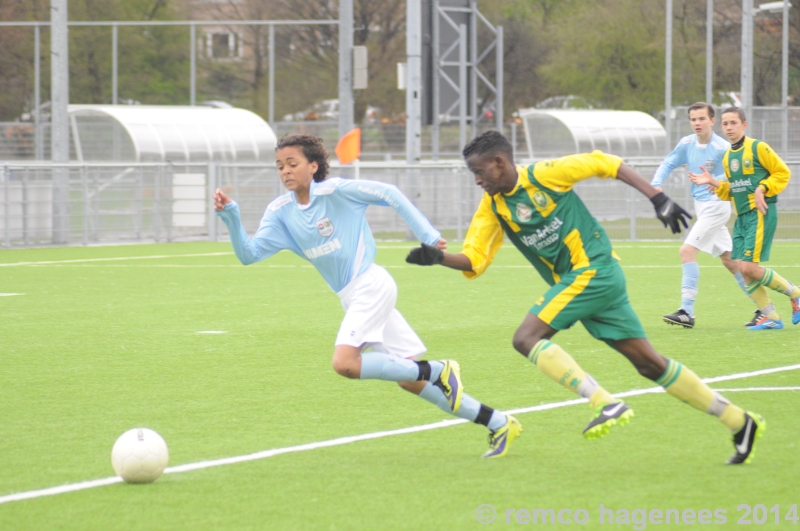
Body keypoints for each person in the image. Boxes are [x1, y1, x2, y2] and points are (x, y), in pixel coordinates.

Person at [406, 130, 764, 464]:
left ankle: (604, 402)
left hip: (593, 271)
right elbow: (474, 260)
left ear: (500, 162)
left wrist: (657, 197)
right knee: (649, 364)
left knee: (525, 338)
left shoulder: (546, 175)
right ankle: (738, 420)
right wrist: (439, 258)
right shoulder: (494, 206)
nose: (478, 181)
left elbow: (604, 163)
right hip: (592, 283)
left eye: (480, 171)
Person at [213, 133, 521, 458]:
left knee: (345, 363)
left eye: (293, 163)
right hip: (352, 295)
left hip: (371, 285)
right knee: (409, 379)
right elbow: (248, 254)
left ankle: (437, 369)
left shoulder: (336, 191)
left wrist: (428, 235)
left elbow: (389, 193)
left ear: (313, 165)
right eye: (279, 166)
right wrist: (231, 216)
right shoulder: (279, 213)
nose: (285, 171)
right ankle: (497, 422)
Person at [689, 107, 800, 330]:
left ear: (744, 125)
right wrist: (715, 183)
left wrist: (764, 187)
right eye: (725, 124)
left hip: (760, 213)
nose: (729, 128)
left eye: (733, 123)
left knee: (749, 268)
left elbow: (782, 172)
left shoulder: (758, 147)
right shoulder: (728, 155)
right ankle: (771, 318)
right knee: (742, 268)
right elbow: (735, 189)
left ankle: (796, 294)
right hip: (741, 218)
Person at [652, 102, 757, 329]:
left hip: (717, 205)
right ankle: (764, 309)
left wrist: (718, 182)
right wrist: (656, 185)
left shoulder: (722, 147)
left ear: (712, 121)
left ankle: (686, 312)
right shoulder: (687, 143)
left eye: (702, 119)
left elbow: (738, 177)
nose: (697, 123)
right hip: (702, 205)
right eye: (693, 119)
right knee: (731, 261)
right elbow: (669, 162)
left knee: (687, 251)